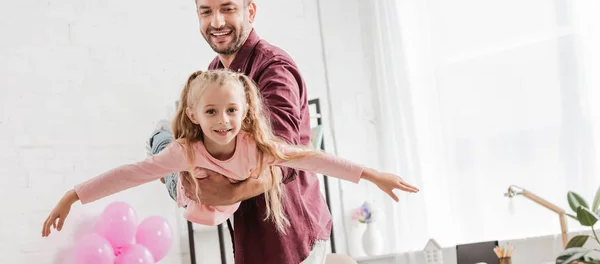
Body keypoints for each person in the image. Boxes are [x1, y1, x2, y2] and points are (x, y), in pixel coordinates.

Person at [148, 0, 412, 263]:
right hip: (258, 236)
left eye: (227, 9)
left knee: (161, 137)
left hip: (287, 238)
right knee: (163, 135)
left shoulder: (274, 69)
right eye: (206, 12)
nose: (216, 21)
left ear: (251, 11)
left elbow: (282, 158)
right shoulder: (216, 73)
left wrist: (228, 194)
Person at [41, 69, 419, 240]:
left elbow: (313, 158)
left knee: (171, 157)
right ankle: (160, 130)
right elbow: (128, 174)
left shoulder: (259, 147)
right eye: (210, 112)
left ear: (246, 111)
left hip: (217, 208)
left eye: (232, 111)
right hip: (184, 191)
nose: (223, 122)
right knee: (160, 153)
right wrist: (72, 196)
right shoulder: (186, 150)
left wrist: (372, 175)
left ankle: (162, 135)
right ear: (194, 114)